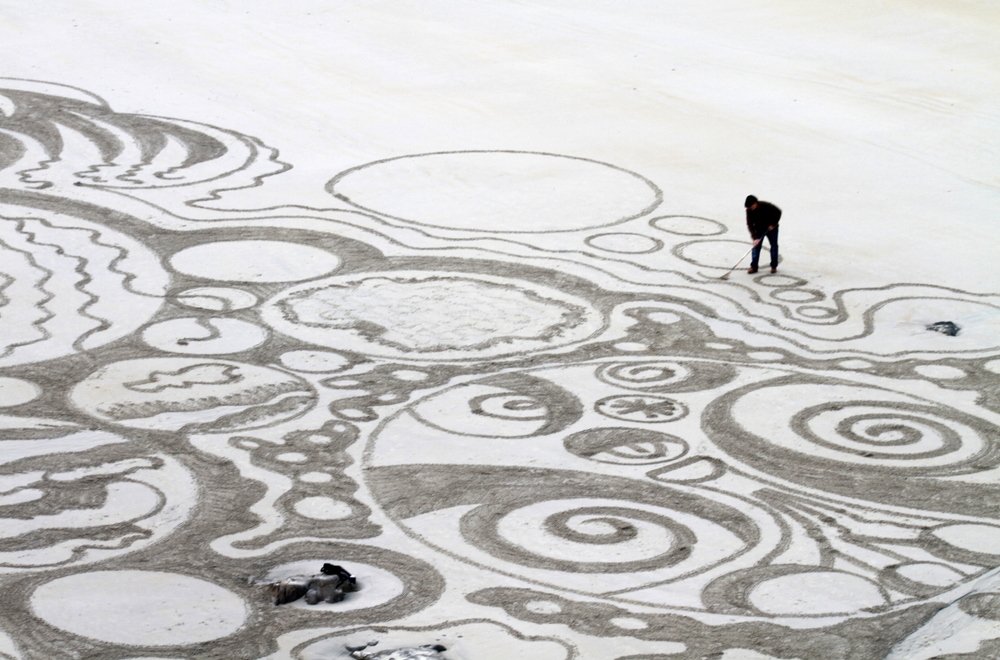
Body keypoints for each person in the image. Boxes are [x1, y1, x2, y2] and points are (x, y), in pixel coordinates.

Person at [744, 195, 781, 274]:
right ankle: (754, 267)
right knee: (756, 247)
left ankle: (774, 266)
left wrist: (773, 224)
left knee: (774, 246)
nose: (751, 208)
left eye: (751, 206)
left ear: (755, 203)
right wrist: (754, 237)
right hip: (759, 229)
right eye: (749, 207)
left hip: (771, 229)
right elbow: (750, 224)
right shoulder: (749, 210)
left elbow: (778, 212)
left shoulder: (766, 206)